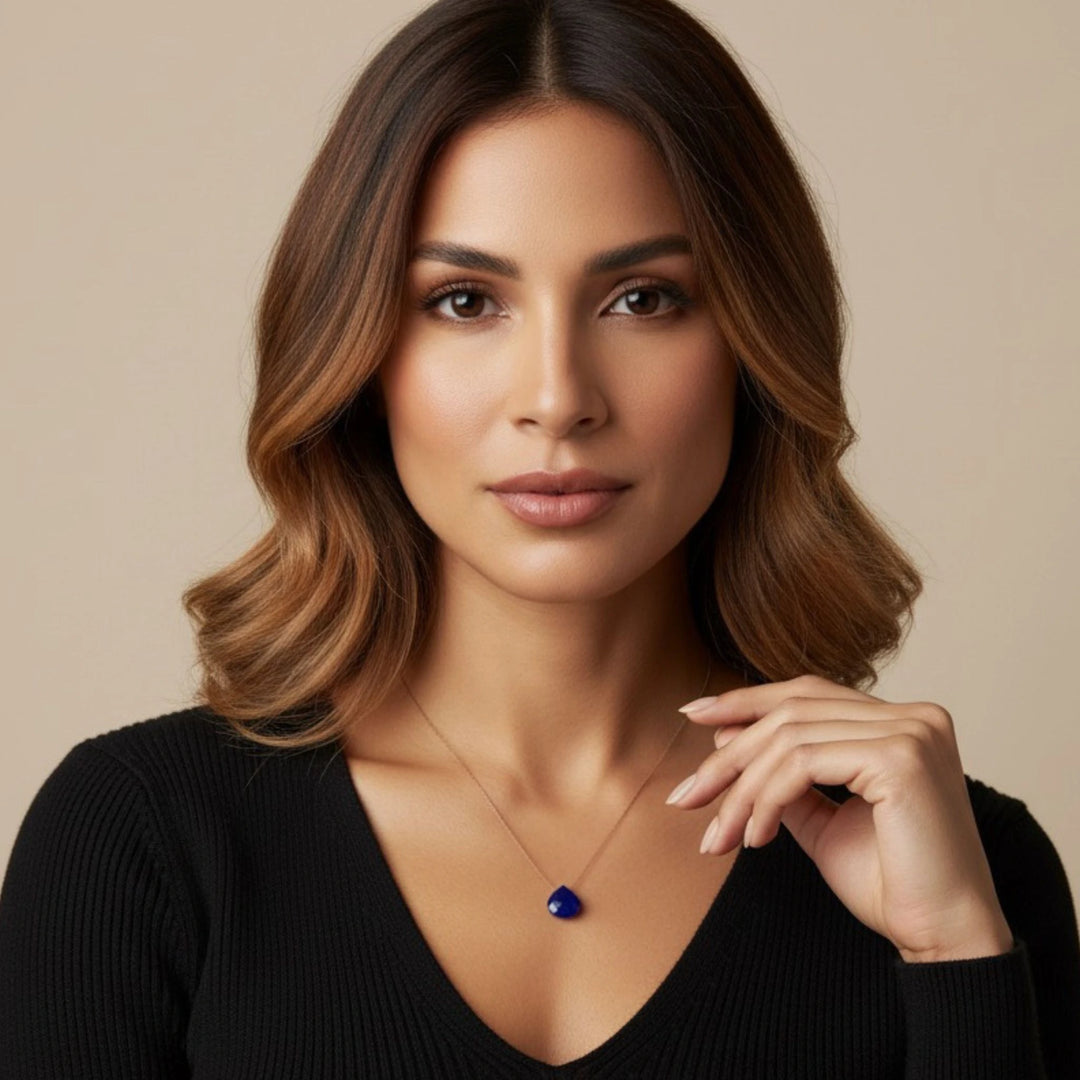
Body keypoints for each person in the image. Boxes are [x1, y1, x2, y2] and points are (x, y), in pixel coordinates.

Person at [2, 0, 1078, 1075]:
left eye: (644, 299)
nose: (558, 399)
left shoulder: (959, 864)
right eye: (466, 301)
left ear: (757, 343)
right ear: (359, 352)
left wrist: (955, 955)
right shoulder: (136, 837)